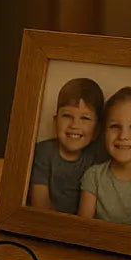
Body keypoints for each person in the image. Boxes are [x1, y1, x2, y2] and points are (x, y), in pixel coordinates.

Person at [78, 87, 131, 227]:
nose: (123, 136)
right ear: (104, 132)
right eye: (115, 126)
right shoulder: (94, 176)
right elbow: (82, 228)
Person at [27, 77, 105, 213]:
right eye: (67, 116)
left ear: (96, 130)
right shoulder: (43, 152)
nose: (74, 125)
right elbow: (39, 204)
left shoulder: (96, 159)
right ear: (55, 121)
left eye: (85, 118)